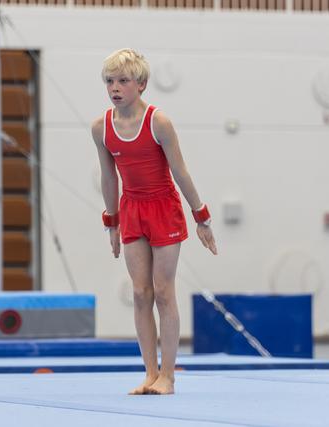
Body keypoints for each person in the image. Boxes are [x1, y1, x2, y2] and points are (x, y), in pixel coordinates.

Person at [92, 49, 217, 395]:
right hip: (131, 209)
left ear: (142, 84)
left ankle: (168, 377)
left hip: (164, 208)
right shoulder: (101, 127)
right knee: (140, 292)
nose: (114, 88)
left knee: (163, 292)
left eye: (122, 81)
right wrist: (111, 223)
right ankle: (150, 374)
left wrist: (201, 216)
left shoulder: (158, 122)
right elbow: (108, 178)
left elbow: (180, 171)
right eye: (109, 81)